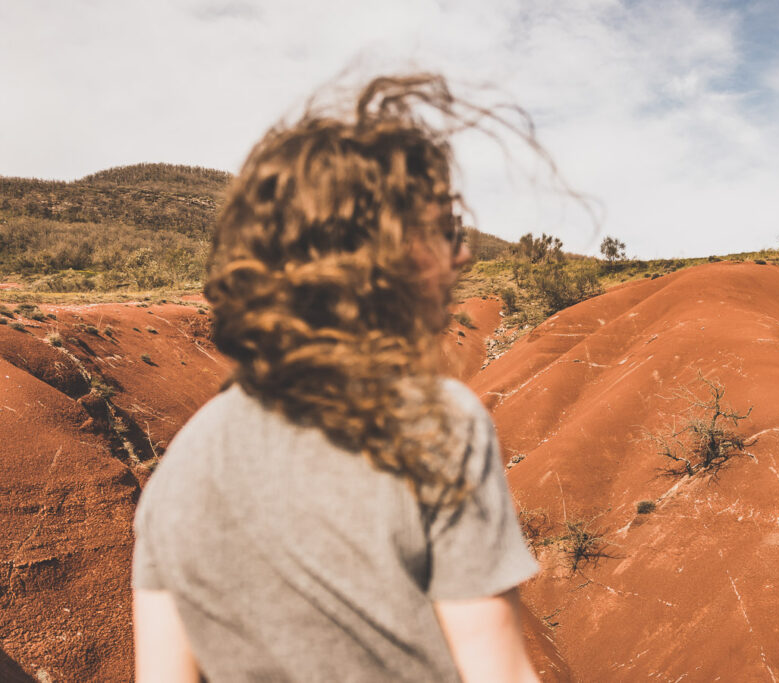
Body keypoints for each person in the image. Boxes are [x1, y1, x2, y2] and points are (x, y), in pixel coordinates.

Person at [131, 74, 541, 682]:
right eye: (443, 233)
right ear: (375, 255)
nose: (460, 256)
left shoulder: (179, 474)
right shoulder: (437, 426)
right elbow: (498, 673)